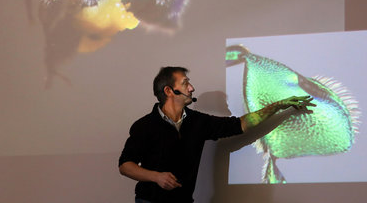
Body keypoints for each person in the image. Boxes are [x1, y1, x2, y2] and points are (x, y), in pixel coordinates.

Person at [118, 66, 315, 203]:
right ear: (169, 91)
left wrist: (279, 105)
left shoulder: (198, 122)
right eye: (186, 83)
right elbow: (125, 166)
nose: (192, 88)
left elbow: (241, 124)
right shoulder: (145, 125)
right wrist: (156, 177)